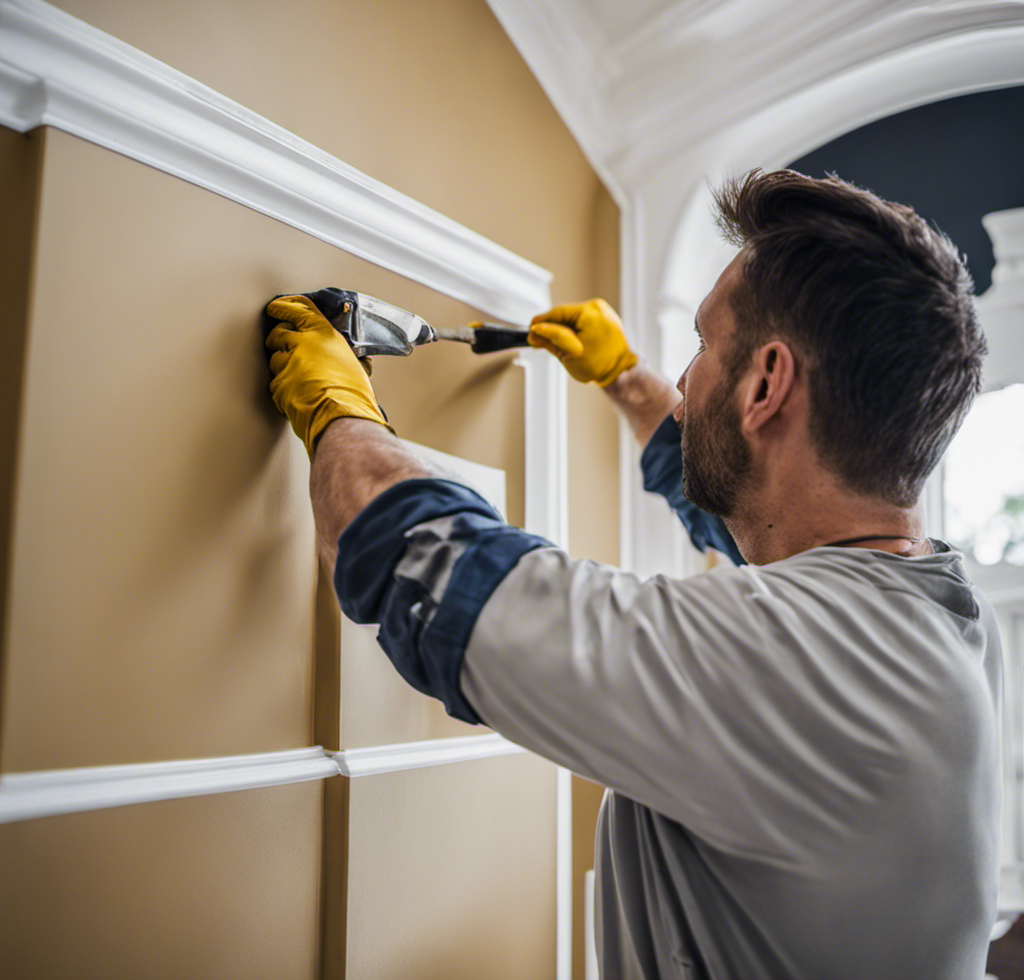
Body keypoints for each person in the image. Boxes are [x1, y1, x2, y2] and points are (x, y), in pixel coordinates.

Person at [265, 169, 1001, 980]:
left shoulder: (797, 666)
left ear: (766, 385)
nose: (685, 382)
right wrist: (630, 381)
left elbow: (423, 559)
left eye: (702, 347)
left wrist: (335, 403)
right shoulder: (943, 612)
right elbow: (755, 523)